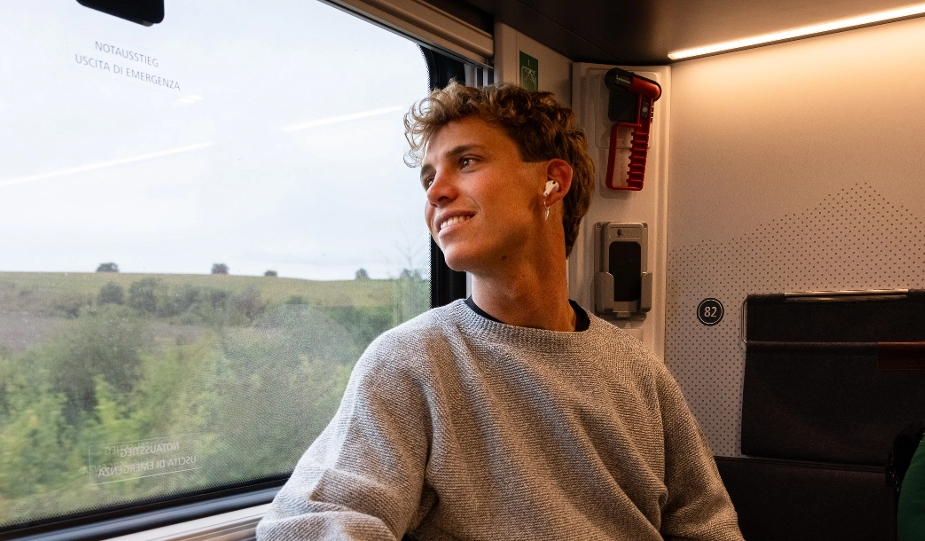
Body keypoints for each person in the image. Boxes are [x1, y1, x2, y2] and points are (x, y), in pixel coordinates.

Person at [257, 82, 742, 540]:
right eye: (428, 177)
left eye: (466, 161)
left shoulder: (639, 371)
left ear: (552, 181)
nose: (435, 192)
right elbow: (314, 521)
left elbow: (708, 528)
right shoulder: (412, 362)